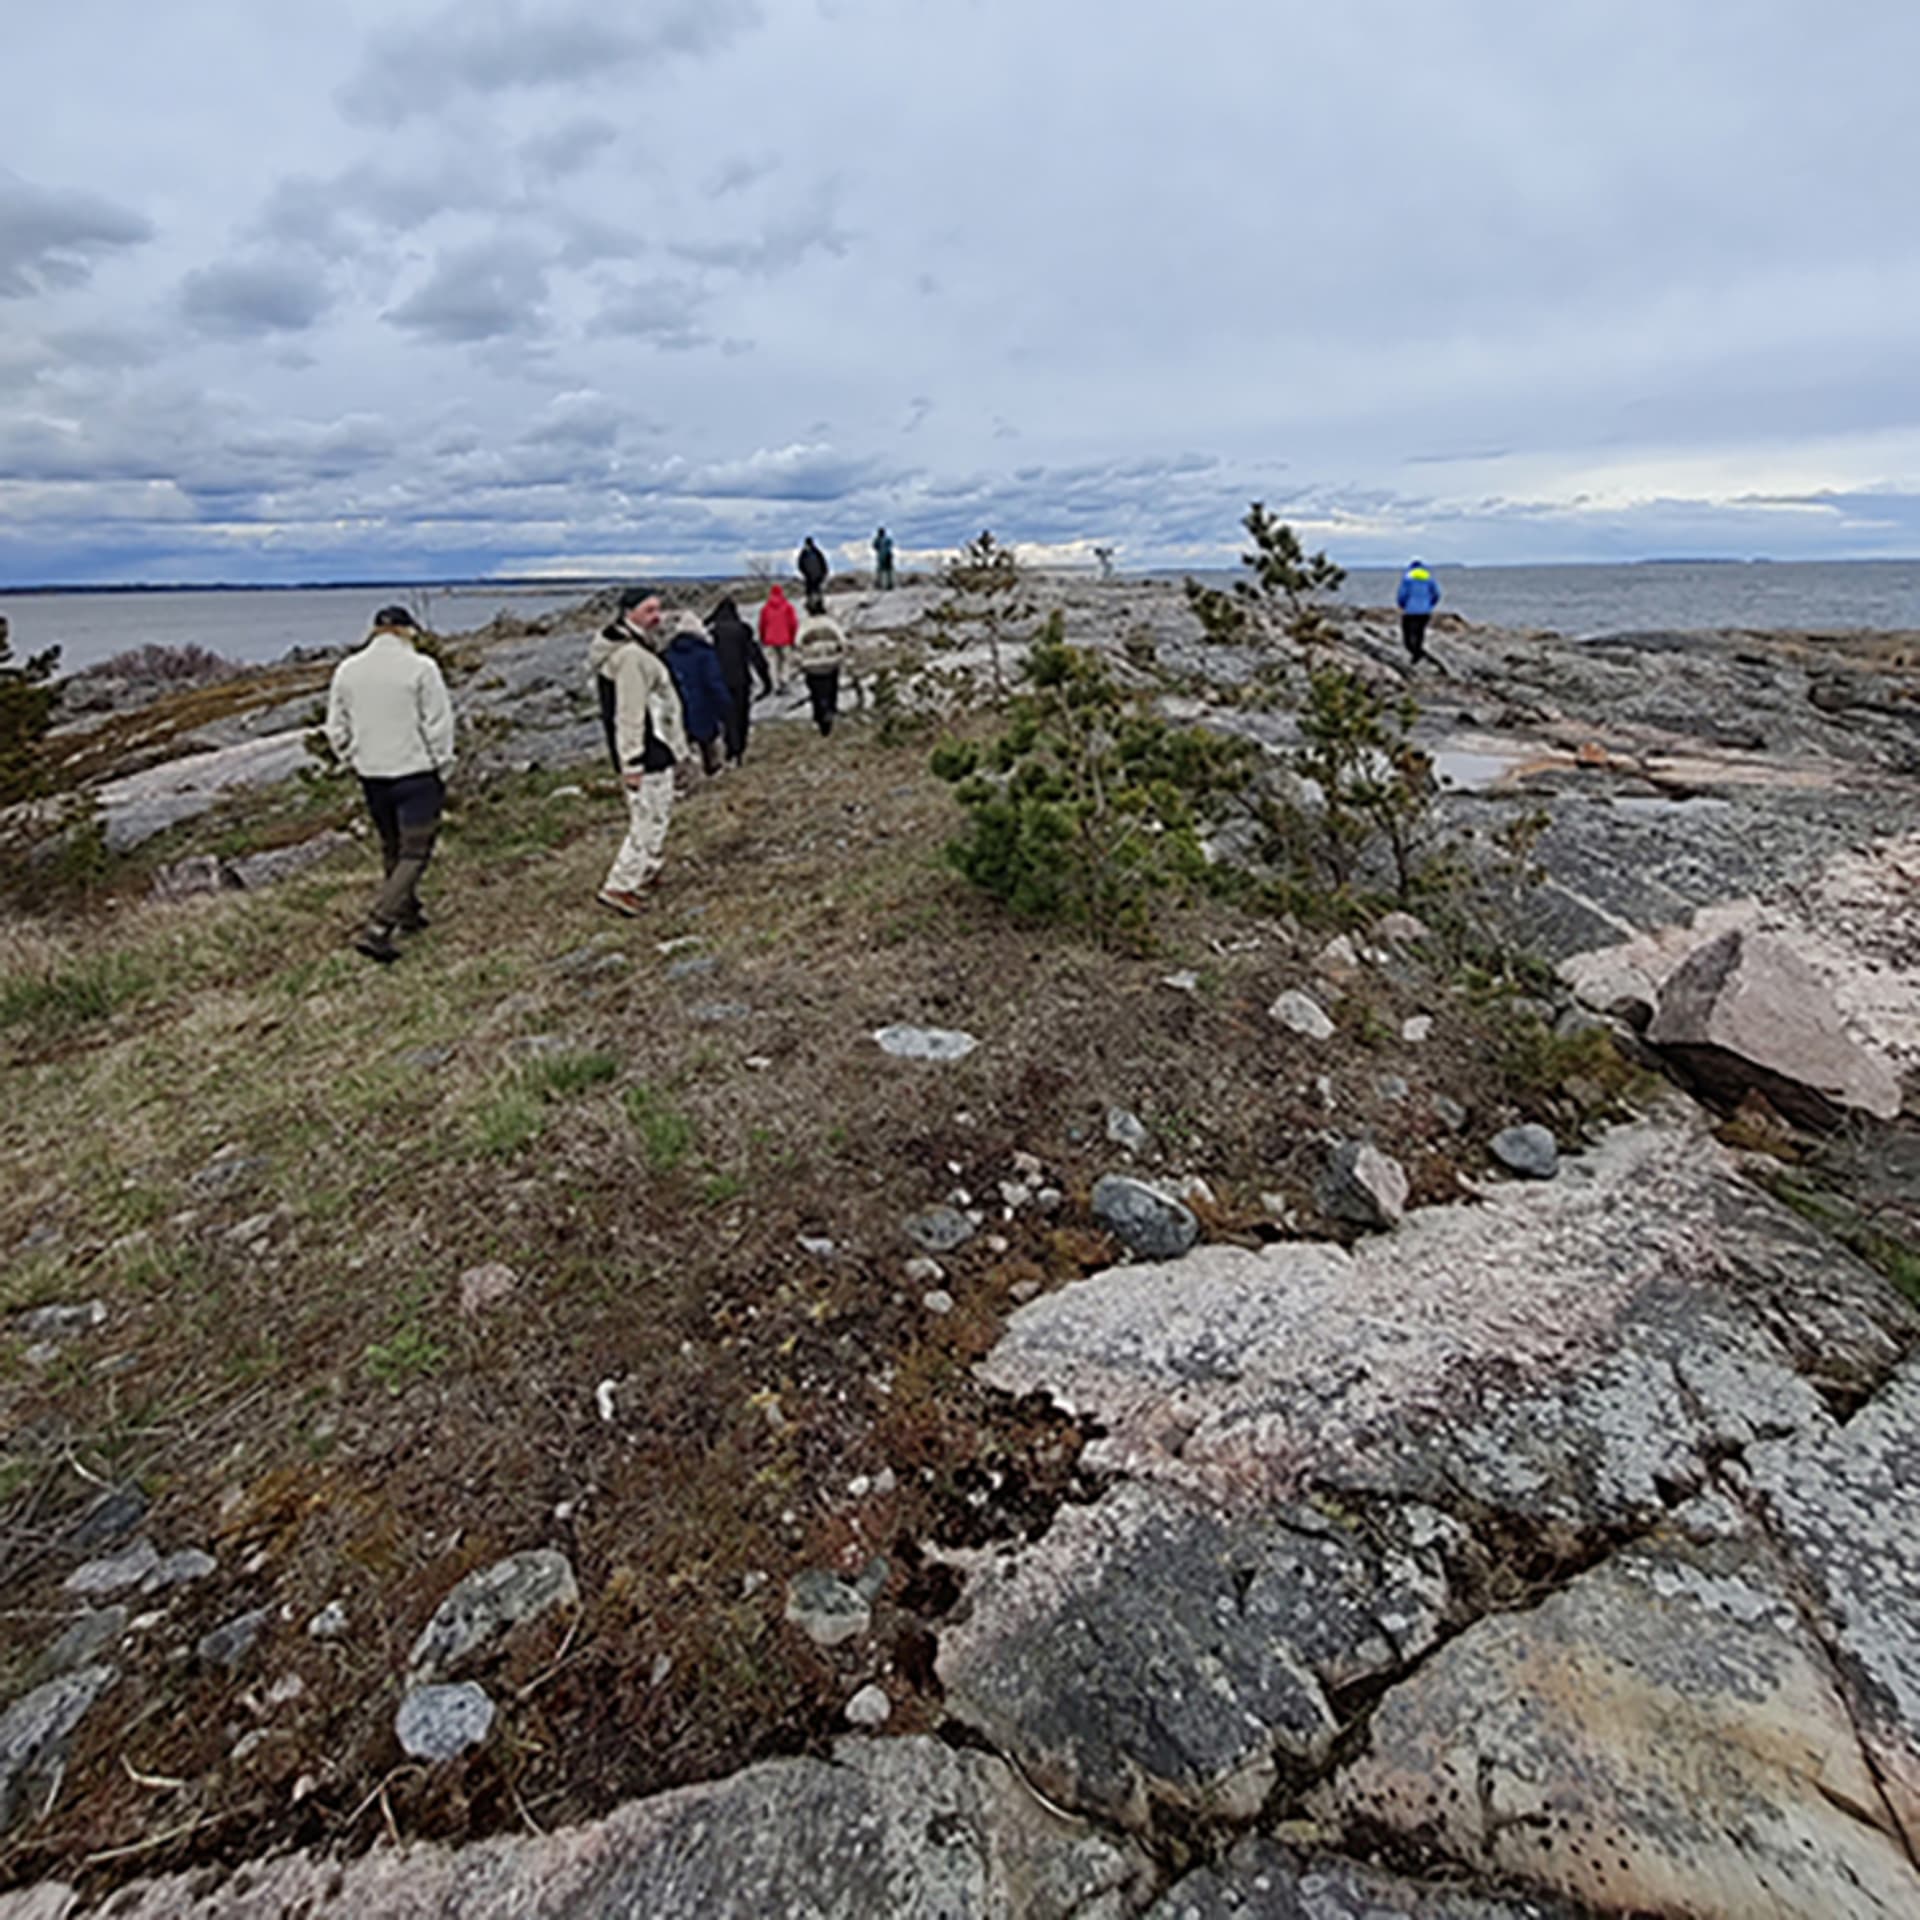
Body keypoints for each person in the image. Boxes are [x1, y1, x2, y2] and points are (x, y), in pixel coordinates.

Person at [324, 606, 455, 964]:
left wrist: (351, 757)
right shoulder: (422, 668)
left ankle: (407, 912)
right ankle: (379, 926)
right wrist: (442, 765)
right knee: (416, 851)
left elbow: (336, 727)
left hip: (372, 774)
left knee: (391, 846)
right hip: (415, 772)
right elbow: (438, 725)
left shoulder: (348, 670)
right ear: (408, 631)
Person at [587, 587, 689, 916]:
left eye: (658, 609)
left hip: (653, 746)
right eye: (649, 610)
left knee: (658, 813)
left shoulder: (632, 649)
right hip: (647, 749)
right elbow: (629, 713)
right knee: (647, 817)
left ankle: (648, 870)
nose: (656, 617)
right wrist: (632, 761)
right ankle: (621, 884)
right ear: (628, 613)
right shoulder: (631, 657)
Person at [661, 610, 733, 775]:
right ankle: (712, 771)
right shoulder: (705, 653)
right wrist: (726, 705)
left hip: (680, 706)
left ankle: (691, 773)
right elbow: (714, 682)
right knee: (709, 741)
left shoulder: (669, 653)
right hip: (704, 706)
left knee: (688, 742)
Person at [707, 596, 772, 765]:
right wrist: (766, 679)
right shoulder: (742, 630)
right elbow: (755, 656)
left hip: (720, 681)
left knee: (727, 718)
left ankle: (731, 748)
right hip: (742, 680)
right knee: (741, 715)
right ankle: (739, 750)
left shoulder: (713, 632)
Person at [794, 608, 848, 736]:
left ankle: (820, 715)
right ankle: (830, 710)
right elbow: (842, 642)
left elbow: (797, 644)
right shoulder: (831, 623)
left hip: (812, 666)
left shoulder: (804, 625)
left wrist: (801, 662)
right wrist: (840, 657)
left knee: (816, 692)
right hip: (830, 664)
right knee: (831, 688)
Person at [1396, 559, 1441, 664]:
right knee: (1420, 633)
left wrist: (1403, 605)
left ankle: (1416, 653)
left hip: (1410, 611)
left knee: (1407, 634)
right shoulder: (1429, 578)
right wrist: (1430, 604)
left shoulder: (1408, 578)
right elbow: (1436, 594)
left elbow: (1402, 595)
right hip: (1425, 611)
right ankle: (1418, 653)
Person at [759, 582, 799, 689]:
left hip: (770, 639)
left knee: (773, 662)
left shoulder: (765, 608)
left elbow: (762, 625)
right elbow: (793, 624)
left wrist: (762, 638)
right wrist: (794, 637)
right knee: (786, 660)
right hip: (785, 638)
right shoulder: (788, 607)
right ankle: (784, 678)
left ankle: (775, 683)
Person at [797, 536, 829, 615]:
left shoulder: (817, 552)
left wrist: (824, 573)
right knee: (810, 592)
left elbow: (823, 563)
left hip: (818, 576)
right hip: (809, 576)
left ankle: (819, 606)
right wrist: (805, 573)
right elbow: (800, 565)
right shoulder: (804, 554)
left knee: (817, 592)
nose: (809, 545)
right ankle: (812, 608)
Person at [872, 526, 896, 591]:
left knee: (881, 570)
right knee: (888, 570)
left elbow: (874, 546)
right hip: (887, 555)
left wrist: (879, 550)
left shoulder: (877, 539)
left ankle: (880, 584)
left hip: (882, 556)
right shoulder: (887, 539)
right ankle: (889, 584)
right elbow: (891, 545)